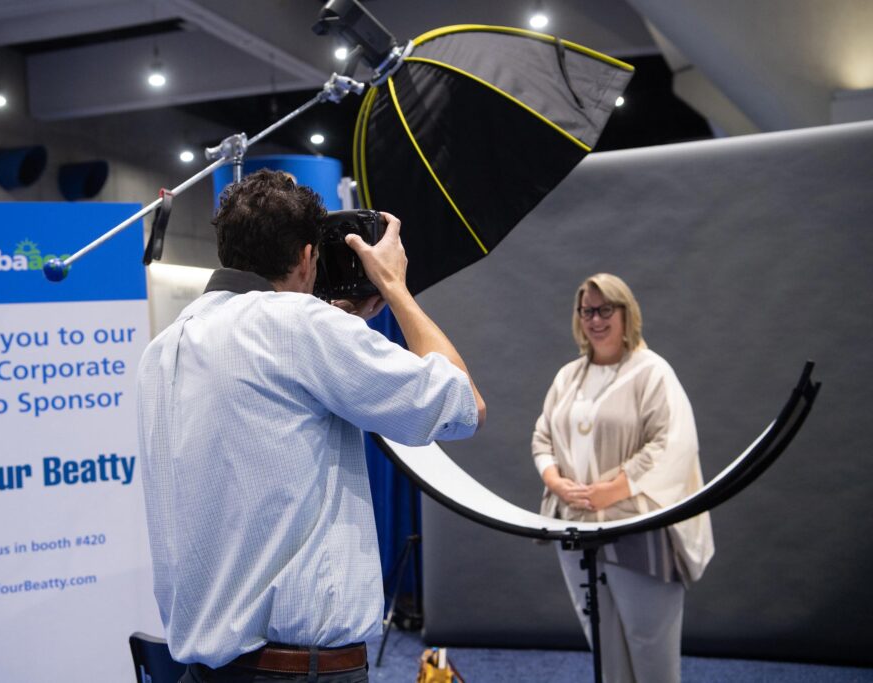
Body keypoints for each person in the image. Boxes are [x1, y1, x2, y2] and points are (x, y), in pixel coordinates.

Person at [137, 169, 486, 683]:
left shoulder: (163, 347)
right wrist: (394, 286)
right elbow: (462, 405)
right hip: (297, 672)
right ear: (306, 256)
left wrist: (344, 326)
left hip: (203, 668)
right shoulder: (302, 328)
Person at [530, 273, 714, 683]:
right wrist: (557, 482)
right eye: (587, 311)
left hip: (637, 530)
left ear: (626, 313)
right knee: (604, 646)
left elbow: (672, 443)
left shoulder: (652, 372)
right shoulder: (568, 377)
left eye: (604, 309)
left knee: (650, 649)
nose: (595, 320)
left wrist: (612, 491)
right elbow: (543, 436)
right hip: (576, 527)